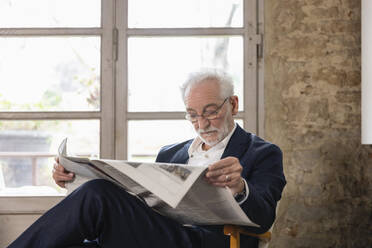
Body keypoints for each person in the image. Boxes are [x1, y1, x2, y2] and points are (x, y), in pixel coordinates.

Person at [8, 69, 286, 248]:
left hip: (211, 241)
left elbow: (263, 218)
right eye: (192, 114)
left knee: (97, 194)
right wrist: (73, 178)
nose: (202, 123)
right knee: (73, 238)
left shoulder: (262, 153)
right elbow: (142, 202)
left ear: (233, 104)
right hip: (160, 236)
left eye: (211, 111)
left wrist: (239, 188)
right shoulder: (171, 153)